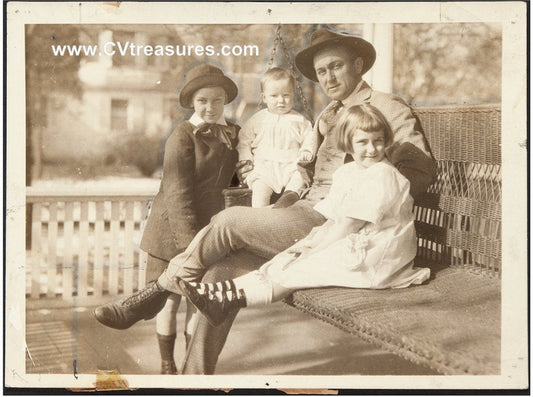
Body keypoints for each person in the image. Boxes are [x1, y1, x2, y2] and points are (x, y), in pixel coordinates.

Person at [94, 27, 437, 374]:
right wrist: (282, 200)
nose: (328, 77)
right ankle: (193, 381)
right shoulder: (325, 117)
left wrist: (363, 197)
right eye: (322, 72)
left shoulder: (384, 106)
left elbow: (419, 170)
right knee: (217, 276)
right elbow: (305, 169)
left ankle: (155, 294)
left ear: (358, 65)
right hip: (302, 212)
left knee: (229, 222)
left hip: (336, 225)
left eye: (336, 66)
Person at [179, 104, 431, 326]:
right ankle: (220, 296)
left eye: (378, 140)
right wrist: (309, 243)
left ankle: (231, 299)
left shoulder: (382, 174)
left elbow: (349, 224)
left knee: (300, 268)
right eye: (362, 142)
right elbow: (334, 219)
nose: (372, 149)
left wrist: (315, 251)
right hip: (356, 239)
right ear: (348, 143)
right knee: (288, 256)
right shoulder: (348, 172)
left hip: (380, 255)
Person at [94, 63, 240, 374]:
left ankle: (189, 368)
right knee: (168, 300)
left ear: (225, 99)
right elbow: (177, 196)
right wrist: (190, 248)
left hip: (209, 230)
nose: (211, 107)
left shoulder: (233, 134)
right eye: (203, 101)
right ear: (192, 103)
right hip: (171, 231)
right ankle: (166, 364)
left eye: (217, 100)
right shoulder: (182, 136)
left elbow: (236, 181)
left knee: (196, 301)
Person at [236, 67, 316, 208]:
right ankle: (259, 215)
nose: (281, 101)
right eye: (274, 96)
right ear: (264, 97)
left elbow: (310, 137)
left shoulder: (299, 120)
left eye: (286, 95)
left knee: (299, 179)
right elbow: (244, 140)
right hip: (265, 166)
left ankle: (288, 198)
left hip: (290, 165)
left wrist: (307, 151)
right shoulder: (258, 119)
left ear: (293, 95)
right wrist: (246, 158)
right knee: (260, 190)